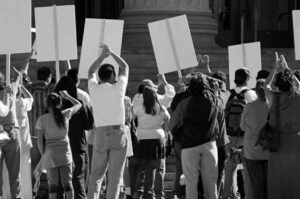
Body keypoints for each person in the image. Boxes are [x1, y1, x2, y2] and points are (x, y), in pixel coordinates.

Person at [87, 43, 129, 199]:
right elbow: (124, 67)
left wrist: (102, 56)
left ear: (100, 76)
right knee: (115, 176)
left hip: (100, 133)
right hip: (118, 133)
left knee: (96, 174)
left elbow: (91, 71)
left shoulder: (93, 88)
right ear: (112, 76)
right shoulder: (119, 87)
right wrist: (111, 54)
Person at [170, 75, 219, 199]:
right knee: (211, 183)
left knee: (190, 183)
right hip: (209, 143)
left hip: (188, 144)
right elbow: (215, 85)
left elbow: (175, 123)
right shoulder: (213, 99)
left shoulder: (184, 102)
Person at [264, 53, 300, 199]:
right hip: (296, 141)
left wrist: (275, 67)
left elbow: (265, 84)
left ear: (277, 84)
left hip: (277, 141)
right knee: (296, 177)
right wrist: (288, 69)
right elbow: (299, 85)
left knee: (277, 178)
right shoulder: (298, 97)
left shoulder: (273, 97)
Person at [54, 76, 94, 199]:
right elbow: (89, 125)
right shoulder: (80, 105)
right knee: (77, 182)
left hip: (57, 149)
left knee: (60, 184)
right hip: (77, 147)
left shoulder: (53, 108)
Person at [36, 91, 82, 199]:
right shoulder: (66, 114)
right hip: (66, 153)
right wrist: (67, 96)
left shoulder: (42, 119)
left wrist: (44, 155)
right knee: (68, 183)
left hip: (50, 154)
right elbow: (79, 104)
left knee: (52, 184)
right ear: (59, 103)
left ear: (47, 104)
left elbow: (39, 142)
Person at [222, 67, 257, 199]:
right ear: (247, 79)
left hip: (229, 136)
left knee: (230, 168)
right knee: (245, 169)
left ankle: (227, 195)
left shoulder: (227, 94)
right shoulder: (251, 95)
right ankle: (246, 195)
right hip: (245, 137)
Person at [132, 86, 170, 199]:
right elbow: (167, 121)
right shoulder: (161, 108)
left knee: (142, 168)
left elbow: (130, 120)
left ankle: (140, 192)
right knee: (157, 168)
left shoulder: (138, 108)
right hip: (158, 139)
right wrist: (166, 133)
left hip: (141, 139)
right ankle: (155, 194)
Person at [240, 79, 269, 199]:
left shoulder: (249, 106)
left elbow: (242, 126)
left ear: (256, 91)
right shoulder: (271, 105)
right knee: (268, 182)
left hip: (252, 150)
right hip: (269, 149)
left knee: (256, 183)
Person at [0, 71, 22, 199]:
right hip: (12, 133)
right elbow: (19, 76)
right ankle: (16, 196)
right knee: (15, 171)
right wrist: (18, 74)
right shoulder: (11, 89)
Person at [15, 73, 34, 199]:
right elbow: (31, 97)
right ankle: (26, 195)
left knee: (11, 171)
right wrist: (21, 86)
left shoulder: (7, 103)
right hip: (24, 142)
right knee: (25, 170)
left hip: (11, 142)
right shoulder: (22, 102)